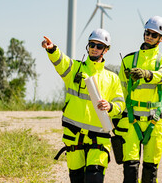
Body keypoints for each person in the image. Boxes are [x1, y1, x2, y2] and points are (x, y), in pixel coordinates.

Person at [42, 29, 125, 183]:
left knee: (94, 178)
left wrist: (111, 106)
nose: (94, 48)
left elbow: (120, 104)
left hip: (99, 138)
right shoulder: (75, 69)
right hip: (74, 138)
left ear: (106, 50)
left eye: (99, 46)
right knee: (77, 180)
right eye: (92, 44)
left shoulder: (112, 78)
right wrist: (52, 49)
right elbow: (61, 61)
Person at [115, 16, 162, 183]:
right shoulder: (128, 60)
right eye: (147, 32)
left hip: (153, 122)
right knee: (130, 169)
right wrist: (115, 117)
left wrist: (147, 74)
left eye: (153, 34)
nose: (149, 36)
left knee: (150, 169)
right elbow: (120, 91)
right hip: (131, 120)